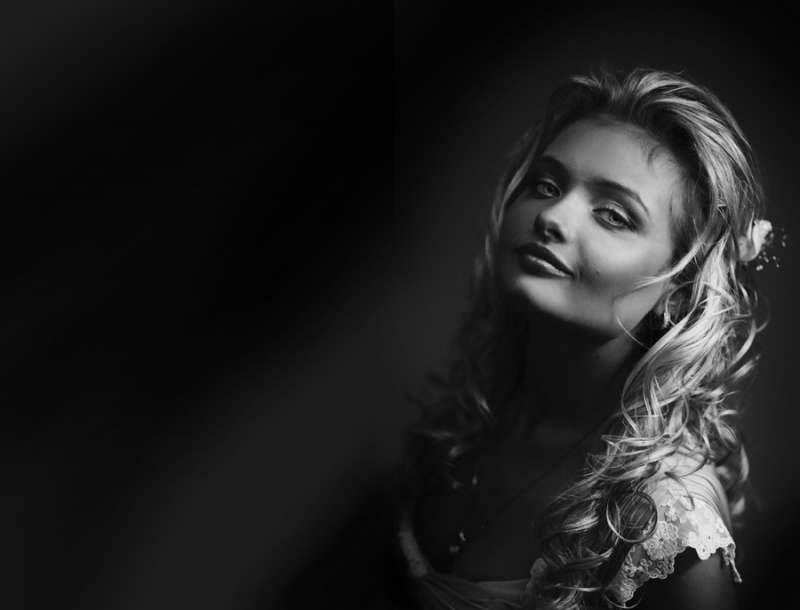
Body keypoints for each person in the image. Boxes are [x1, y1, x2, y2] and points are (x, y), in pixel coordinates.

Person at [396, 64, 773, 610]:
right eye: (546, 185)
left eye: (613, 215)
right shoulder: (466, 414)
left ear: (679, 289)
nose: (551, 215)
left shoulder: (667, 524)